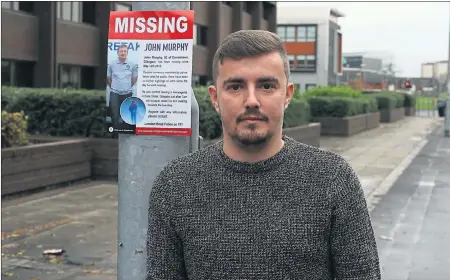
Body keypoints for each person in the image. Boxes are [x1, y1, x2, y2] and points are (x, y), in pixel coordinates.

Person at [147, 30, 381, 280]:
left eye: (266, 86)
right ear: (215, 98)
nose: (251, 100)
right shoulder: (175, 184)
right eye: (235, 86)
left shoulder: (333, 179)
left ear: (287, 95)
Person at [106, 44, 137, 127]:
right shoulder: (112, 64)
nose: (123, 53)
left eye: (124, 51)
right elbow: (108, 78)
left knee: (127, 114)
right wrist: (113, 86)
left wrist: (127, 86)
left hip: (127, 93)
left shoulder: (132, 64)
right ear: (118, 53)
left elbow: (134, 78)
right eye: (121, 51)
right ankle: (115, 133)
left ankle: (126, 133)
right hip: (115, 93)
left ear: (127, 53)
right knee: (114, 114)